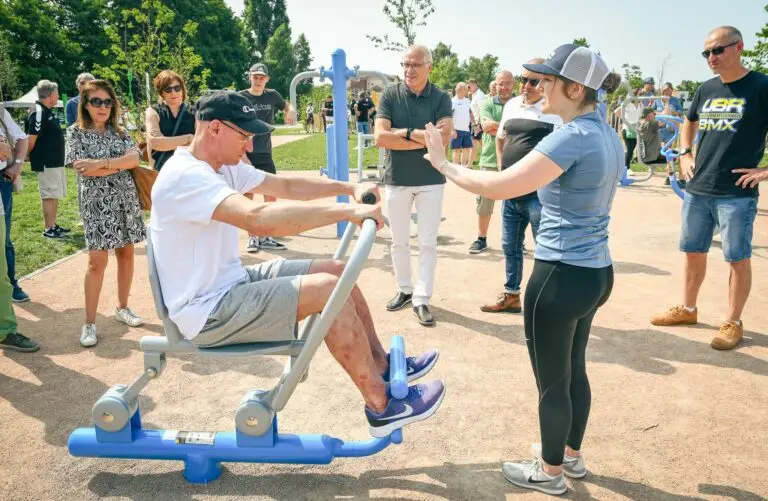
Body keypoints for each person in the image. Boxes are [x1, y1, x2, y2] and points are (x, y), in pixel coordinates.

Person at [150, 90, 445, 438]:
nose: (248, 147)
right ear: (215, 128)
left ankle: (382, 365)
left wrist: (348, 188)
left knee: (337, 272)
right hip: (208, 311)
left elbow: (286, 185)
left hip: (231, 284)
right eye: (244, 136)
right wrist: (346, 211)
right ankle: (382, 406)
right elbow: (258, 219)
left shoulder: (220, 167)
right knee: (326, 290)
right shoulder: (187, 175)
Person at [423, 44, 622, 496]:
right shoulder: (605, 132)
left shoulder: (570, 137)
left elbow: (500, 184)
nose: (537, 88)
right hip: (595, 271)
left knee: (552, 379)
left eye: (546, 81)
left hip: (559, 274)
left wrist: (442, 163)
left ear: (574, 88)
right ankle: (569, 455)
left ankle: (550, 472)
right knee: (574, 366)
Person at [651, 26, 768, 350]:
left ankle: (733, 321)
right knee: (692, 251)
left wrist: (765, 171)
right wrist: (686, 152)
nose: (711, 58)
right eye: (706, 53)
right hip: (699, 188)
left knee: (737, 257)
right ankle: (688, 309)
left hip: (737, 192)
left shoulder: (761, 86)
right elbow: (689, 121)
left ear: (739, 47)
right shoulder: (705, 89)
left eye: (717, 50)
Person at [374, 45, 453, 327]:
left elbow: (441, 139)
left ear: (429, 67)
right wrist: (419, 135)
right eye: (405, 64)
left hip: (431, 179)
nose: (409, 70)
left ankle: (422, 297)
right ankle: (405, 288)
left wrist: (403, 134)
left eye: (415, 65)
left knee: (428, 242)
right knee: (399, 241)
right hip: (397, 179)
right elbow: (381, 138)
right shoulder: (390, 94)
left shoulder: (441, 97)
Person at [66, 80, 146, 347]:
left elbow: (134, 160)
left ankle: (123, 307)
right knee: (96, 263)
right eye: (96, 101)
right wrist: (117, 165)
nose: (102, 107)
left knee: (126, 254)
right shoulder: (75, 133)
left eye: (107, 101)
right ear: (85, 105)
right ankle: (89, 323)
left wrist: (102, 165)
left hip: (125, 201)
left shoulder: (121, 132)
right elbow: (81, 168)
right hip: (97, 205)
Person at [481, 60, 562, 314]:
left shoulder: (555, 112)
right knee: (510, 246)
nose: (525, 85)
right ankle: (512, 295)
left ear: (547, 82)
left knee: (545, 249)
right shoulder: (512, 105)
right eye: (523, 79)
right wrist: (502, 172)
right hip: (511, 193)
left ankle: (549, 303)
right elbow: (501, 137)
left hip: (539, 195)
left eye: (533, 81)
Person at [239, 63, 296, 253]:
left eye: (261, 77)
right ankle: (252, 238)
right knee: (248, 194)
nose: (258, 80)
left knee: (271, 194)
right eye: (255, 77)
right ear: (250, 77)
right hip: (245, 152)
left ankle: (266, 235)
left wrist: (290, 111)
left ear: (266, 79)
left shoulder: (271, 95)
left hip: (264, 152)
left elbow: (286, 106)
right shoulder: (241, 97)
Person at [466, 70, 515, 255]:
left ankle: (517, 241)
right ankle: (481, 239)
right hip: (489, 159)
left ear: (513, 84)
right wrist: (511, 128)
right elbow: (486, 127)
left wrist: (499, 127)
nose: (504, 87)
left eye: (507, 83)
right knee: (484, 203)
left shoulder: (520, 105)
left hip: (514, 159)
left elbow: (518, 130)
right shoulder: (486, 103)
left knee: (517, 205)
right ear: (496, 84)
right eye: (501, 83)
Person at [25, 80, 69, 239]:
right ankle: (49, 228)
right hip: (46, 162)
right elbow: (31, 139)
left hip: (54, 162)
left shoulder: (46, 111)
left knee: (54, 194)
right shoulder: (38, 112)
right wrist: (23, 157)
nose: (58, 96)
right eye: (56, 93)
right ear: (50, 95)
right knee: (49, 195)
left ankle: (53, 224)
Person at [0, 105, 30, 302]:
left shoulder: (0, 111)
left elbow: (22, 138)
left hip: (1, 181)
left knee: (4, 238)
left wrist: (17, 164)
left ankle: (10, 284)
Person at [145, 70, 196, 171]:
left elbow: (200, 142)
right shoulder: (153, 111)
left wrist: (167, 143)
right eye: (168, 89)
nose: (173, 92)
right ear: (161, 92)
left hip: (189, 169)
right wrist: (189, 138)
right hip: (162, 171)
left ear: (182, 89)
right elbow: (156, 143)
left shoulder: (195, 111)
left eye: (177, 88)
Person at [450, 82, 473, 166]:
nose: (467, 91)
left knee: (466, 149)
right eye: (465, 90)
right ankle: (455, 168)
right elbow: (449, 116)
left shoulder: (467, 101)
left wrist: (475, 124)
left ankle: (463, 168)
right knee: (456, 150)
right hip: (456, 129)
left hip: (466, 129)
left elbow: (470, 113)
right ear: (459, 90)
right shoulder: (452, 101)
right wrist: (452, 130)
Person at [468, 79, 487, 166]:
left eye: (470, 86)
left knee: (480, 145)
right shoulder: (474, 95)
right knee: (478, 145)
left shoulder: (479, 95)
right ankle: (470, 165)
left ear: (475, 84)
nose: (469, 88)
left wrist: (478, 125)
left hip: (479, 124)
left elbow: (482, 110)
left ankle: (470, 165)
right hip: (475, 124)